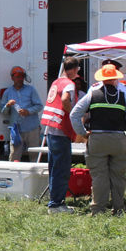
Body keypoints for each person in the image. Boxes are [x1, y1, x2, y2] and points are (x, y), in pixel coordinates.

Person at [69, 64, 126, 216]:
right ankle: (118, 209)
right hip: (119, 139)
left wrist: (83, 133)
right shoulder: (124, 96)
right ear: (115, 79)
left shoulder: (92, 94)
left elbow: (74, 114)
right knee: (119, 176)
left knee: (99, 175)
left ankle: (98, 210)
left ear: (101, 79)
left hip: (98, 139)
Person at [39, 57, 80, 214]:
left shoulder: (56, 82)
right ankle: (57, 204)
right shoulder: (69, 84)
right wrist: (73, 115)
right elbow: (65, 99)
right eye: (78, 69)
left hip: (51, 130)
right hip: (61, 130)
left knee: (54, 167)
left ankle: (54, 202)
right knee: (61, 169)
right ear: (74, 69)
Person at [0, 66, 43, 161]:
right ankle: (12, 175)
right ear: (12, 78)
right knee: (14, 155)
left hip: (32, 128)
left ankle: (34, 175)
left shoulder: (31, 90)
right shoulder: (8, 92)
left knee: (35, 155)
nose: (20, 79)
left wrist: (28, 111)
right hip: (16, 129)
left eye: (22, 76)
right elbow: (2, 111)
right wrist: (7, 105)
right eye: (17, 76)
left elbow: (39, 106)